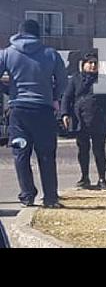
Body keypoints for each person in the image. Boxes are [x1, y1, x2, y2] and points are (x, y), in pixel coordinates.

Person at [0, 20, 67, 208]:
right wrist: (52, 95)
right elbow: (62, 82)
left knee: (20, 154)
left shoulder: (7, 53)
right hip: (43, 111)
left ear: (18, 33)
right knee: (46, 155)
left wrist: (8, 90)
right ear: (38, 34)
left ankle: (27, 194)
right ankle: (51, 198)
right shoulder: (50, 54)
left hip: (18, 112)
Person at [60, 51, 106, 190]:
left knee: (99, 151)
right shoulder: (75, 79)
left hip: (98, 119)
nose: (93, 65)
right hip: (80, 121)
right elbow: (67, 97)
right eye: (90, 63)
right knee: (83, 151)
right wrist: (65, 114)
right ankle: (84, 178)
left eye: (95, 63)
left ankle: (102, 178)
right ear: (83, 65)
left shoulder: (104, 79)